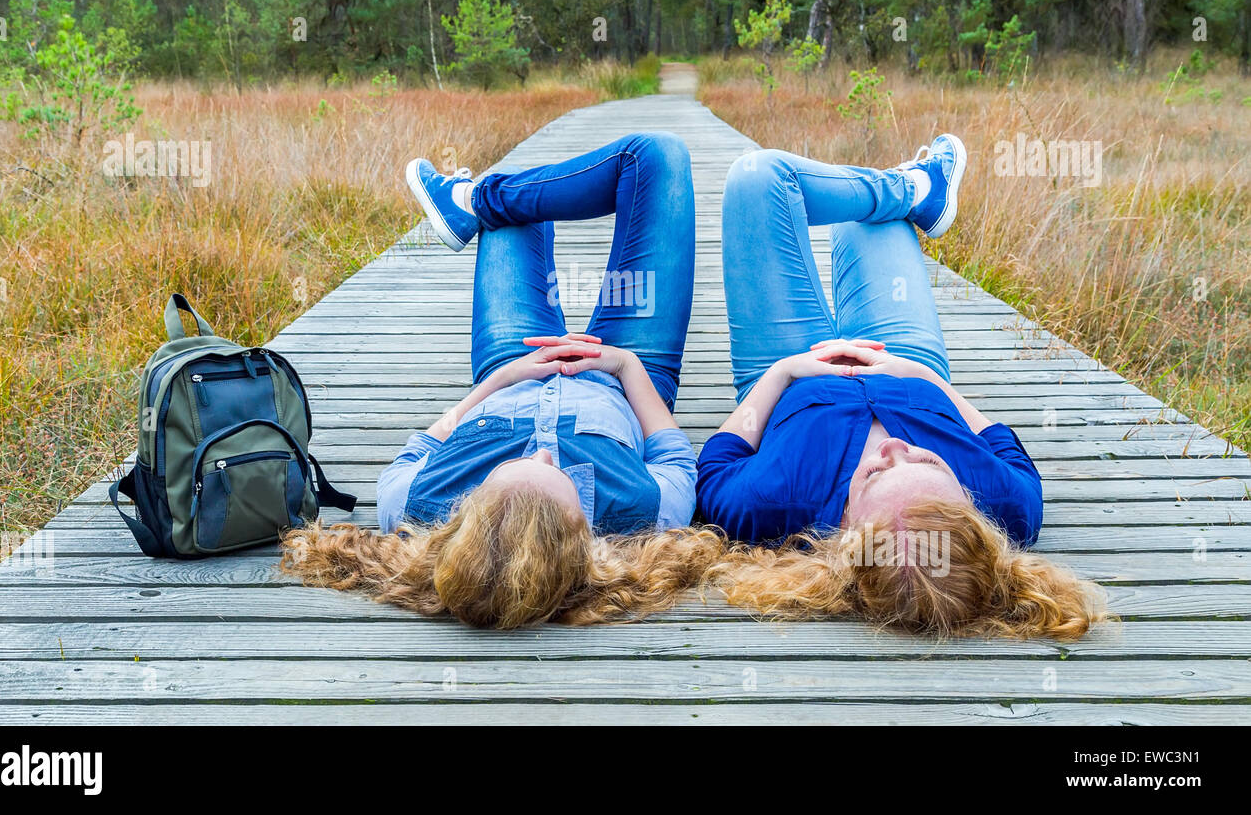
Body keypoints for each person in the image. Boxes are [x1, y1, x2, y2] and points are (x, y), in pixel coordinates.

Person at [282, 132, 724, 629]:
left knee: (520, 208)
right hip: (623, 373)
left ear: (469, 508)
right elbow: (672, 453)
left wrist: (499, 381)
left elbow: (425, 442)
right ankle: (470, 199)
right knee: (658, 158)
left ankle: (471, 201)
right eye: (557, 473)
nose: (541, 452)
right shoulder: (642, 515)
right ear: (584, 538)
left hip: (514, 359)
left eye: (511, 464)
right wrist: (621, 364)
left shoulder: (415, 505)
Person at [696, 136, 1107, 639]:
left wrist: (785, 371)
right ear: (975, 515)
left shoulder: (768, 505)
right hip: (905, 361)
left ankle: (912, 186)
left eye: (874, 474)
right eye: (929, 461)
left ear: (846, 531)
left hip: (787, 367)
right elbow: (992, 433)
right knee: (872, 220)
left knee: (756, 177)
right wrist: (919, 375)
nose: (896, 448)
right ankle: (911, 191)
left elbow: (718, 459)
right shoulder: (1011, 505)